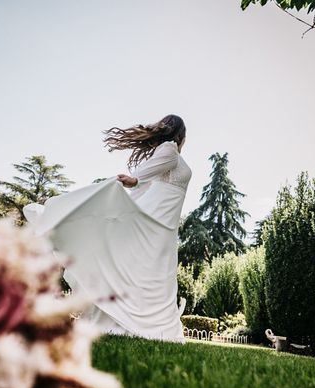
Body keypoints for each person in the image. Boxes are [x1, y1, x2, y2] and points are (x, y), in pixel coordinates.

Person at [23, 114, 192, 342]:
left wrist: (137, 183)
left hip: (164, 222)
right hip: (159, 221)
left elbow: (149, 184)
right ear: (180, 134)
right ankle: (142, 324)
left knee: (152, 272)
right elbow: (143, 177)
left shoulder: (169, 154)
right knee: (154, 271)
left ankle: (143, 323)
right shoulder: (170, 149)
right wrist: (134, 180)